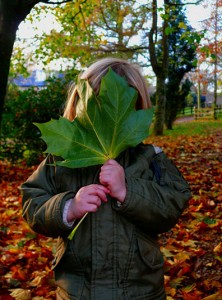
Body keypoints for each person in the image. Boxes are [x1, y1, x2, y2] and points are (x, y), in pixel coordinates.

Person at [21, 57, 191, 300]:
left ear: (138, 111)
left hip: (140, 291)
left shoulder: (149, 158)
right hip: (78, 292)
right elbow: (32, 201)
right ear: (79, 108)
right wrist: (68, 207)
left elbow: (173, 204)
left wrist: (128, 191)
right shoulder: (61, 158)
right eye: (96, 109)